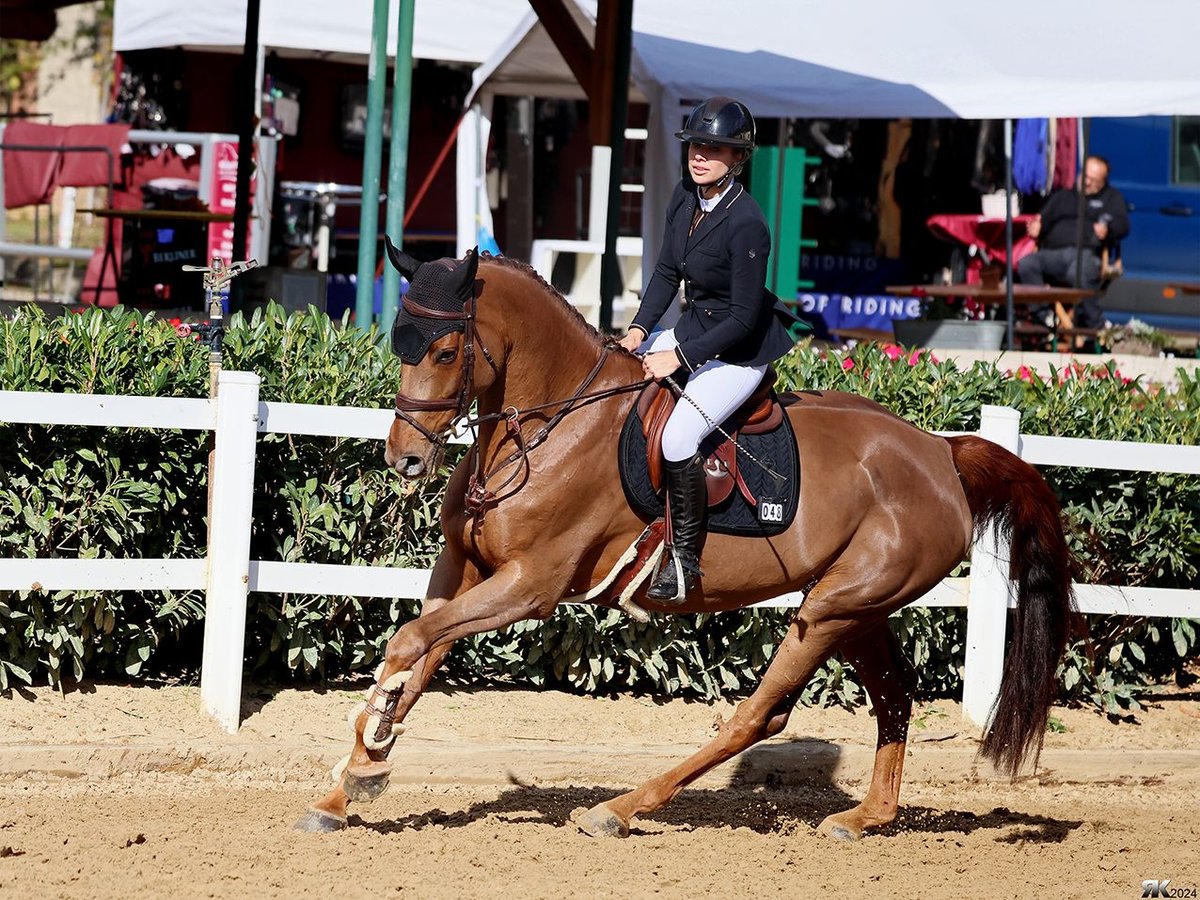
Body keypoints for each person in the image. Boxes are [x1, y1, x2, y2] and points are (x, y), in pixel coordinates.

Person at [617, 96, 801, 603]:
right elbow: (665, 273)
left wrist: (679, 357)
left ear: (738, 158)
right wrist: (637, 331)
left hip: (739, 351)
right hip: (695, 329)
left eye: (715, 148)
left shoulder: (748, 224)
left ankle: (684, 561)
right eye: (697, 144)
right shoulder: (684, 196)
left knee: (678, 440)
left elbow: (742, 319)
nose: (701, 155)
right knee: (617, 376)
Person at [1016, 154, 1130, 328]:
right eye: (1085, 176)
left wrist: (1108, 229)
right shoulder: (1063, 196)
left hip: (1086, 255)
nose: (1086, 182)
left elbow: (1123, 226)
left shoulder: (1111, 199)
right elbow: (1042, 221)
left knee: (1077, 273)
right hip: (1054, 255)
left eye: (1093, 180)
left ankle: (1096, 326)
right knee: (1026, 264)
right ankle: (1044, 316)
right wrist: (1038, 227)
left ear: (1102, 182)